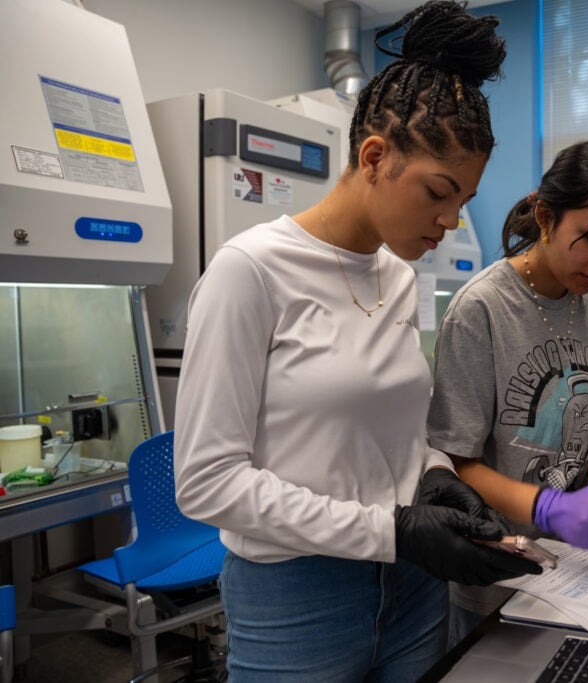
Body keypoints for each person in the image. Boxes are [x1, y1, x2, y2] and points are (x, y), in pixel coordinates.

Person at [172, 2, 541, 680]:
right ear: (375, 156)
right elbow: (206, 482)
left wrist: (432, 473)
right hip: (298, 599)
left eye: (463, 199)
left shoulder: (399, 279)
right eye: (439, 192)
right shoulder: (249, 272)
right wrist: (390, 529)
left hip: (413, 586)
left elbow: (392, 426)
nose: (450, 220)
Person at [426, 140, 588, 647]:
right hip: (497, 573)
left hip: (577, 572)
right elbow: (457, 464)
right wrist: (546, 507)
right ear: (545, 216)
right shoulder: (481, 310)